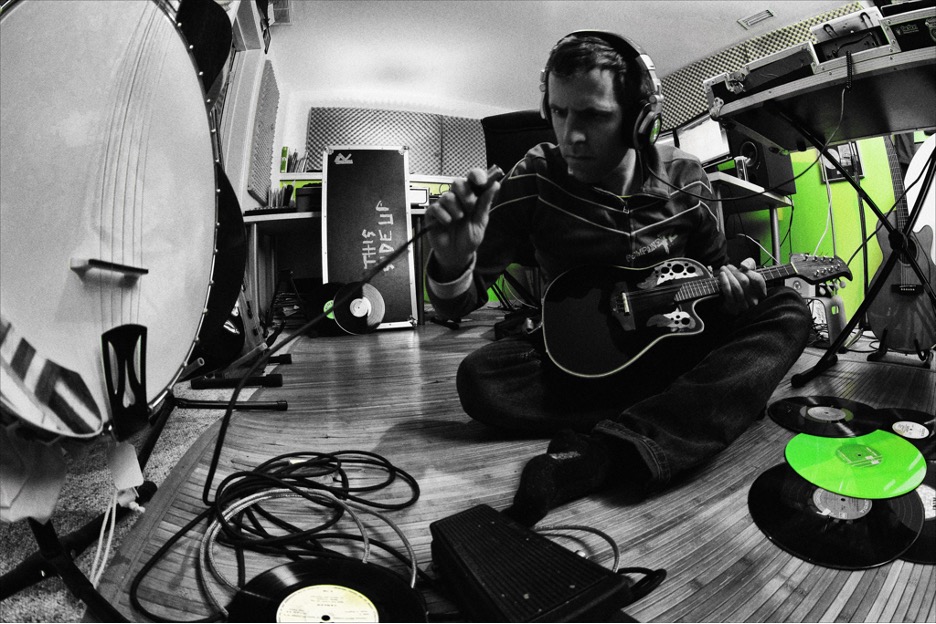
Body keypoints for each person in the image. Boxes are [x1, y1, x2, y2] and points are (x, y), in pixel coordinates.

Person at [424, 31, 811, 526]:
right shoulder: (535, 176)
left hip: (671, 340)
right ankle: (696, 407)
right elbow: (455, 308)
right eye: (559, 113)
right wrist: (454, 262)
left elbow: (715, 275)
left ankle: (613, 450)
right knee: (480, 380)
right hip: (581, 356)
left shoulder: (688, 178)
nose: (569, 136)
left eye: (592, 116)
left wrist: (733, 291)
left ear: (639, 120)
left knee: (787, 310)